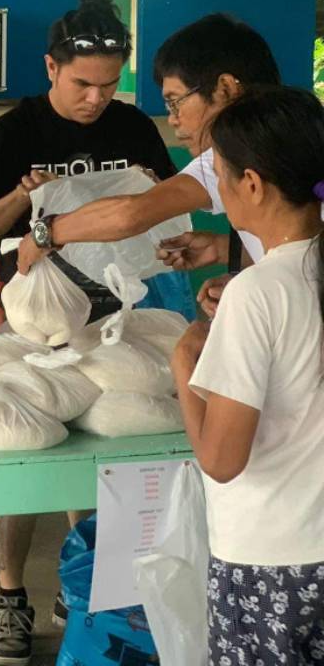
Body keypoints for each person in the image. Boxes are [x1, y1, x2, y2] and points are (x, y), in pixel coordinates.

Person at [0, 0, 179, 665]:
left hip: (114, 318)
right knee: (25, 453)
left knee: (97, 458)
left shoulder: (133, 126)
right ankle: (9, 594)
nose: (95, 99)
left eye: (109, 85)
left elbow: (169, 210)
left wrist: (165, 226)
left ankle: (80, 581)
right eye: (83, 84)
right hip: (35, 315)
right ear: (51, 68)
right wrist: (26, 196)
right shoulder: (13, 132)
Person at [170, 86, 324, 663]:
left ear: (253, 184)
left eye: (222, 177)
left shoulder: (258, 292)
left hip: (269, 562)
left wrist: (186, 366)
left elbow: (222, 460)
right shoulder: (280, 281)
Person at [15, 14, 282, 317]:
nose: (172, 119)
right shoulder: (292, 128)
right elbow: (298, 247)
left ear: (225, 88)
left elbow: (131, 214)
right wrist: (228, 250)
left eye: (175, 101)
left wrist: (46, 233)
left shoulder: (236, 154)